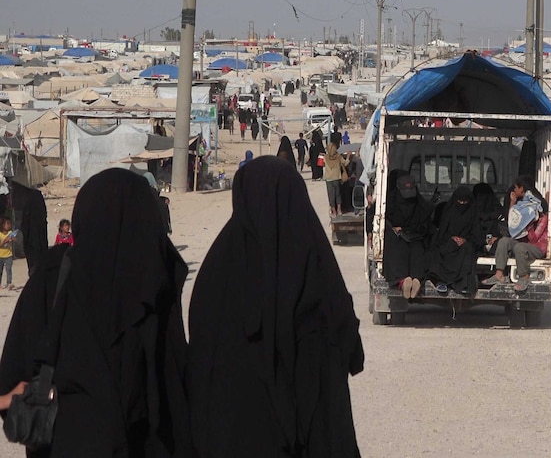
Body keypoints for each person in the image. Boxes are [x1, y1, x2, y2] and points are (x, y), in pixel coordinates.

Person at [0, 169, 193, 456]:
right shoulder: (155, 279)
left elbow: (14, 376)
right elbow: (176, 388)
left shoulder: (55, 276)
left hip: (66, 442)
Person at [187, 156, 364, 458]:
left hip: (236, 436)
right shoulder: (316, 266)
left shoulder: (217, 272)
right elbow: (347, 342)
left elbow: (201, 365)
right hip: (314, 437)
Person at [481, 176, 549, 293]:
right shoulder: (522, 206)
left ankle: (524, 277)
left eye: (516, 188)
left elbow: (533, 239)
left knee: (519, 247)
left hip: (536, 246)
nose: (514, 190)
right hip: (522, 242)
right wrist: (512, 202)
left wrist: (529, 225)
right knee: (503, 241)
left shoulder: (539, 214)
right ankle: (499, 275)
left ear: (522, 189)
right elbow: (513, 221)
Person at [384, 173, 435, 299]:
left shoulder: (393, 201)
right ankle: (414, 279)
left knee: (408, 251)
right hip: (400, 235)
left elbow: (424, 220)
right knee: (413, 251)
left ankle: (405, 281)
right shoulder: (392, 201)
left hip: (412, 235)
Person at [429, 186, 482, 295]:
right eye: (460, 201)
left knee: (467, 250)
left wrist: (465, 239)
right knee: (441, 250)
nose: (462, 204)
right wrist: (451, 238)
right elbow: (442, 232)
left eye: (465, 201)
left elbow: (477, 235)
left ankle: (463, 284)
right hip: (449, 241)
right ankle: (441, 281)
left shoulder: (473, 212)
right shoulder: (449, 211)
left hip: (467, 243)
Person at [323, 142, 348, 215]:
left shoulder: (325, 157)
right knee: (338, 194)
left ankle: (334, 211)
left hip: (329, 179)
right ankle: (339, 210)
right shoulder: (339, 157)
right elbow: (345, 163)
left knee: (331, 195)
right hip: (337, 178)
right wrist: (348, 157)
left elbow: (321, 164)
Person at [0, 218, 15, 290]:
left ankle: (9, 283)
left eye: (9, 223)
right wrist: (5, 241)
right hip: (0, 255)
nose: (9, 225)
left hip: (9, 255)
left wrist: (13, 238)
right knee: (0, 270)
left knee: (8, 269)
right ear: (3, 225)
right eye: (7, 223)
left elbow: (15, 238)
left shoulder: (11, 233)